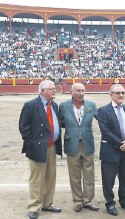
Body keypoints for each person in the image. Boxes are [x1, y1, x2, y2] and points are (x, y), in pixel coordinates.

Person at [19, 80, 62, 219]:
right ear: (43, 91)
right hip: (37, 148)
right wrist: (31, 144)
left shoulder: (54, 105)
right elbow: (24, 127)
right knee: (37, 178)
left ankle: (47, 203)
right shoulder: (31, 105)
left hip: (52, 146)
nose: (55, 91)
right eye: (52, 89)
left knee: (50, 177)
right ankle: (34, 206)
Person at [59, 83, 99, 212]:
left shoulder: (91, 105)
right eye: (77, 91)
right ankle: (77, 201)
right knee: (74, 175)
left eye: (82, 90)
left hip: (87, 143)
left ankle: (88, 200)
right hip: (72, 144)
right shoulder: (64, 106)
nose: (80, 93)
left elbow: (101, 119)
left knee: (89, 173)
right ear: (72, 92)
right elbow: (61, 122)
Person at [97, 84, 125, 216]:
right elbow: (106, 131)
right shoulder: (103, 110)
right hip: (110, 150)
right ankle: (110, 203)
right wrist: (121, 143)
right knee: (108, 180)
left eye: (123, 93)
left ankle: (124, 201)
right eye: (118, 93)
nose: (121, 95)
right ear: (111, 95)